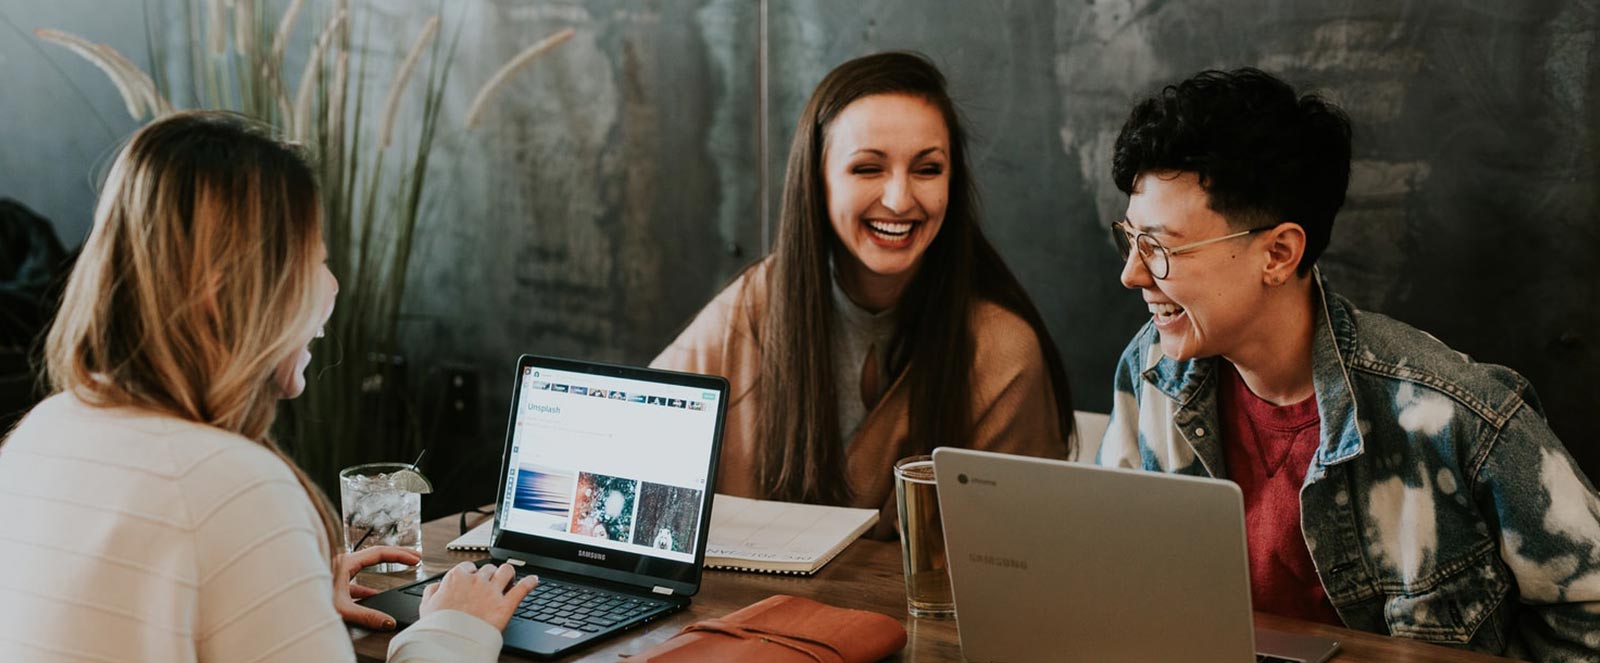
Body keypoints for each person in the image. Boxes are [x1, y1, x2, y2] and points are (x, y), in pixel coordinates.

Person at [1093, 68, 1600, 660]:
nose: (1130, 273)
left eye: (1158, 247)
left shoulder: (1455, 416)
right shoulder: (1152, 368)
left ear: (1278, 254)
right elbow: (1112, 573)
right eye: (1129, 239)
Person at [0, 111, 537, 662]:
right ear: (225, 294)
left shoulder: (41, 431)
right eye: (314, 261)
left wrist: (281, 594)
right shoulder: (233, 488)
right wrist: (453, 627)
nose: (331, 286)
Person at [653, 52, 1074, 538]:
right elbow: (632, 439)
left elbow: (1021, 558)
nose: (899, 199)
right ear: (818, 181)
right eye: (868, 169)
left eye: (928, 169)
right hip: (742, 613)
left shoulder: (1002, 352)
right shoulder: (754, 305)